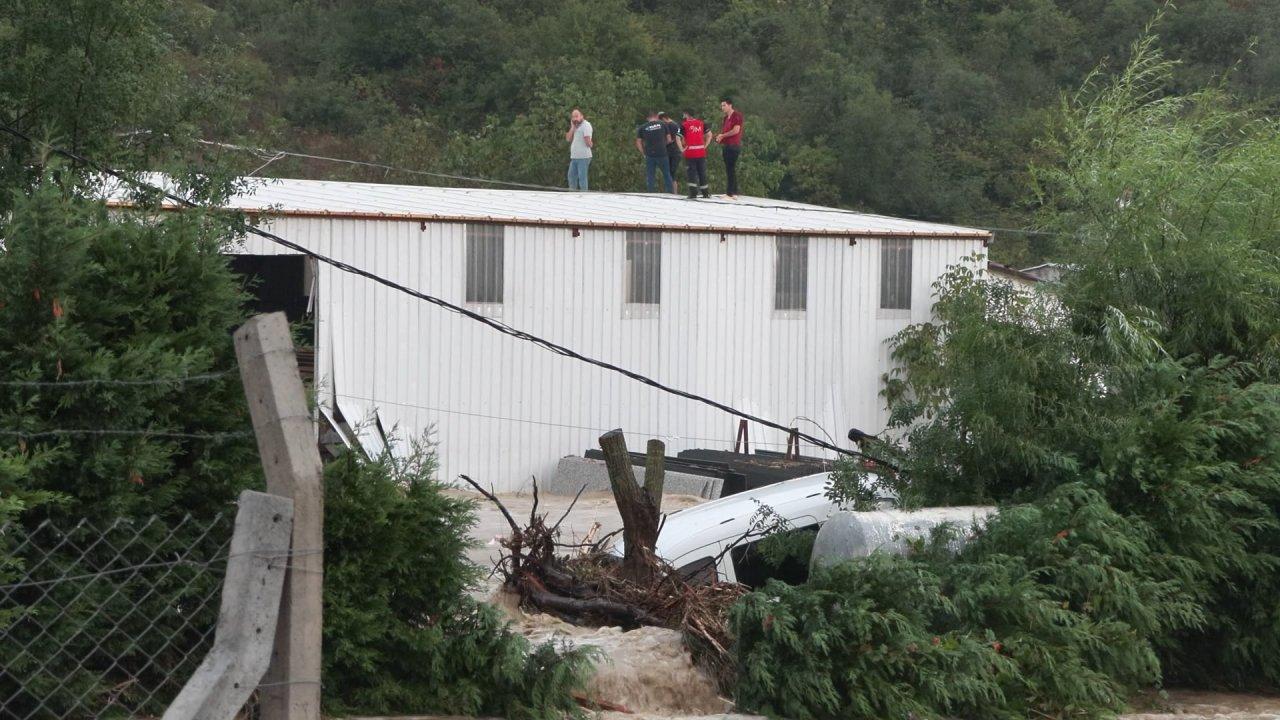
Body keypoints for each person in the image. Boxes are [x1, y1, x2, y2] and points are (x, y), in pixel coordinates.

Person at [636, 110, 674, 193]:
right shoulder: (663, 124)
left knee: (650, 175)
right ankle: (670, 192)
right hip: (662, 153)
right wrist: (663, 145)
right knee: (667, 174)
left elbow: (638, 142)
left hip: (650, 154)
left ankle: (651, 192)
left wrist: (643, 153)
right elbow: (669, 139)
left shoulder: (642, 127)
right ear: (656, 116)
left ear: (647, 118)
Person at [714, 97, 743, 198]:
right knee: (729, 168)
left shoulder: (737, 116)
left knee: (731, 168)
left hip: (734, 146)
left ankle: (730, 193)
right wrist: (720, 137)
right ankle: (734, 191)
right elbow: (725, 131)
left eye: (724, 105)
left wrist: (723, 135)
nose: (722, 108)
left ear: (730, 105)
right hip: (726, 145)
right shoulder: (725, 118)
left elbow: (736, 130)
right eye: (721, 106)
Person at [680, 110, 711, 199]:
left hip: (690, 153)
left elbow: (678, 137)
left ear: (687, 115)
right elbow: (709, 135)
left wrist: (682, 149)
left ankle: (693, 193)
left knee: (691, 173)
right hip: (701, 152)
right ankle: (705, 193)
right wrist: (705, 146)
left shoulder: (684, 125)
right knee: (702, 172)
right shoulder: (701, 123)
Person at [565, 108, 593, 191]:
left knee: (582, 178)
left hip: (583, 157)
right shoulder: (574, 126)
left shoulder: (586, 125)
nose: (575, 118)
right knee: (571, 176)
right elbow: (568, 139)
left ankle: (584, 196)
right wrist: (572, 128)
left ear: (581, 116)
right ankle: (572, 194)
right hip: (574, 157)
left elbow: (588, 142)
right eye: (573, 117)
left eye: (576, 116)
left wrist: (590, 143)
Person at [658, 112, 683, 194]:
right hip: (672, 152)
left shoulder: (671, 125)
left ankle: (673, 192)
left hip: (673, 152)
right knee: (669, 172)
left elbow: (671, 139)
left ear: (663, 118)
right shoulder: (675, 125)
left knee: (671, 172)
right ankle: (670, 191)